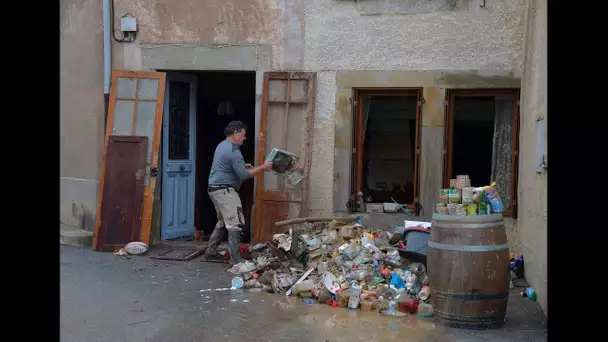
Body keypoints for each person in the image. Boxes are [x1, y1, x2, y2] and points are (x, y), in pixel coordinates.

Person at [203, 120, 273, 264]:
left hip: (214, 189)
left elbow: (229, 167)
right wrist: (263, 168)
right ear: (235, 134)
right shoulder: (233, 151)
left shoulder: (222, 145)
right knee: (235, 223)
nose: (244, 138)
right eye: (243, 135)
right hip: (225, 191)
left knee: (223, 221)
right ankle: (235, 259)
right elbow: (244, 175)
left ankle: (211, 251)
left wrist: (242, 166)